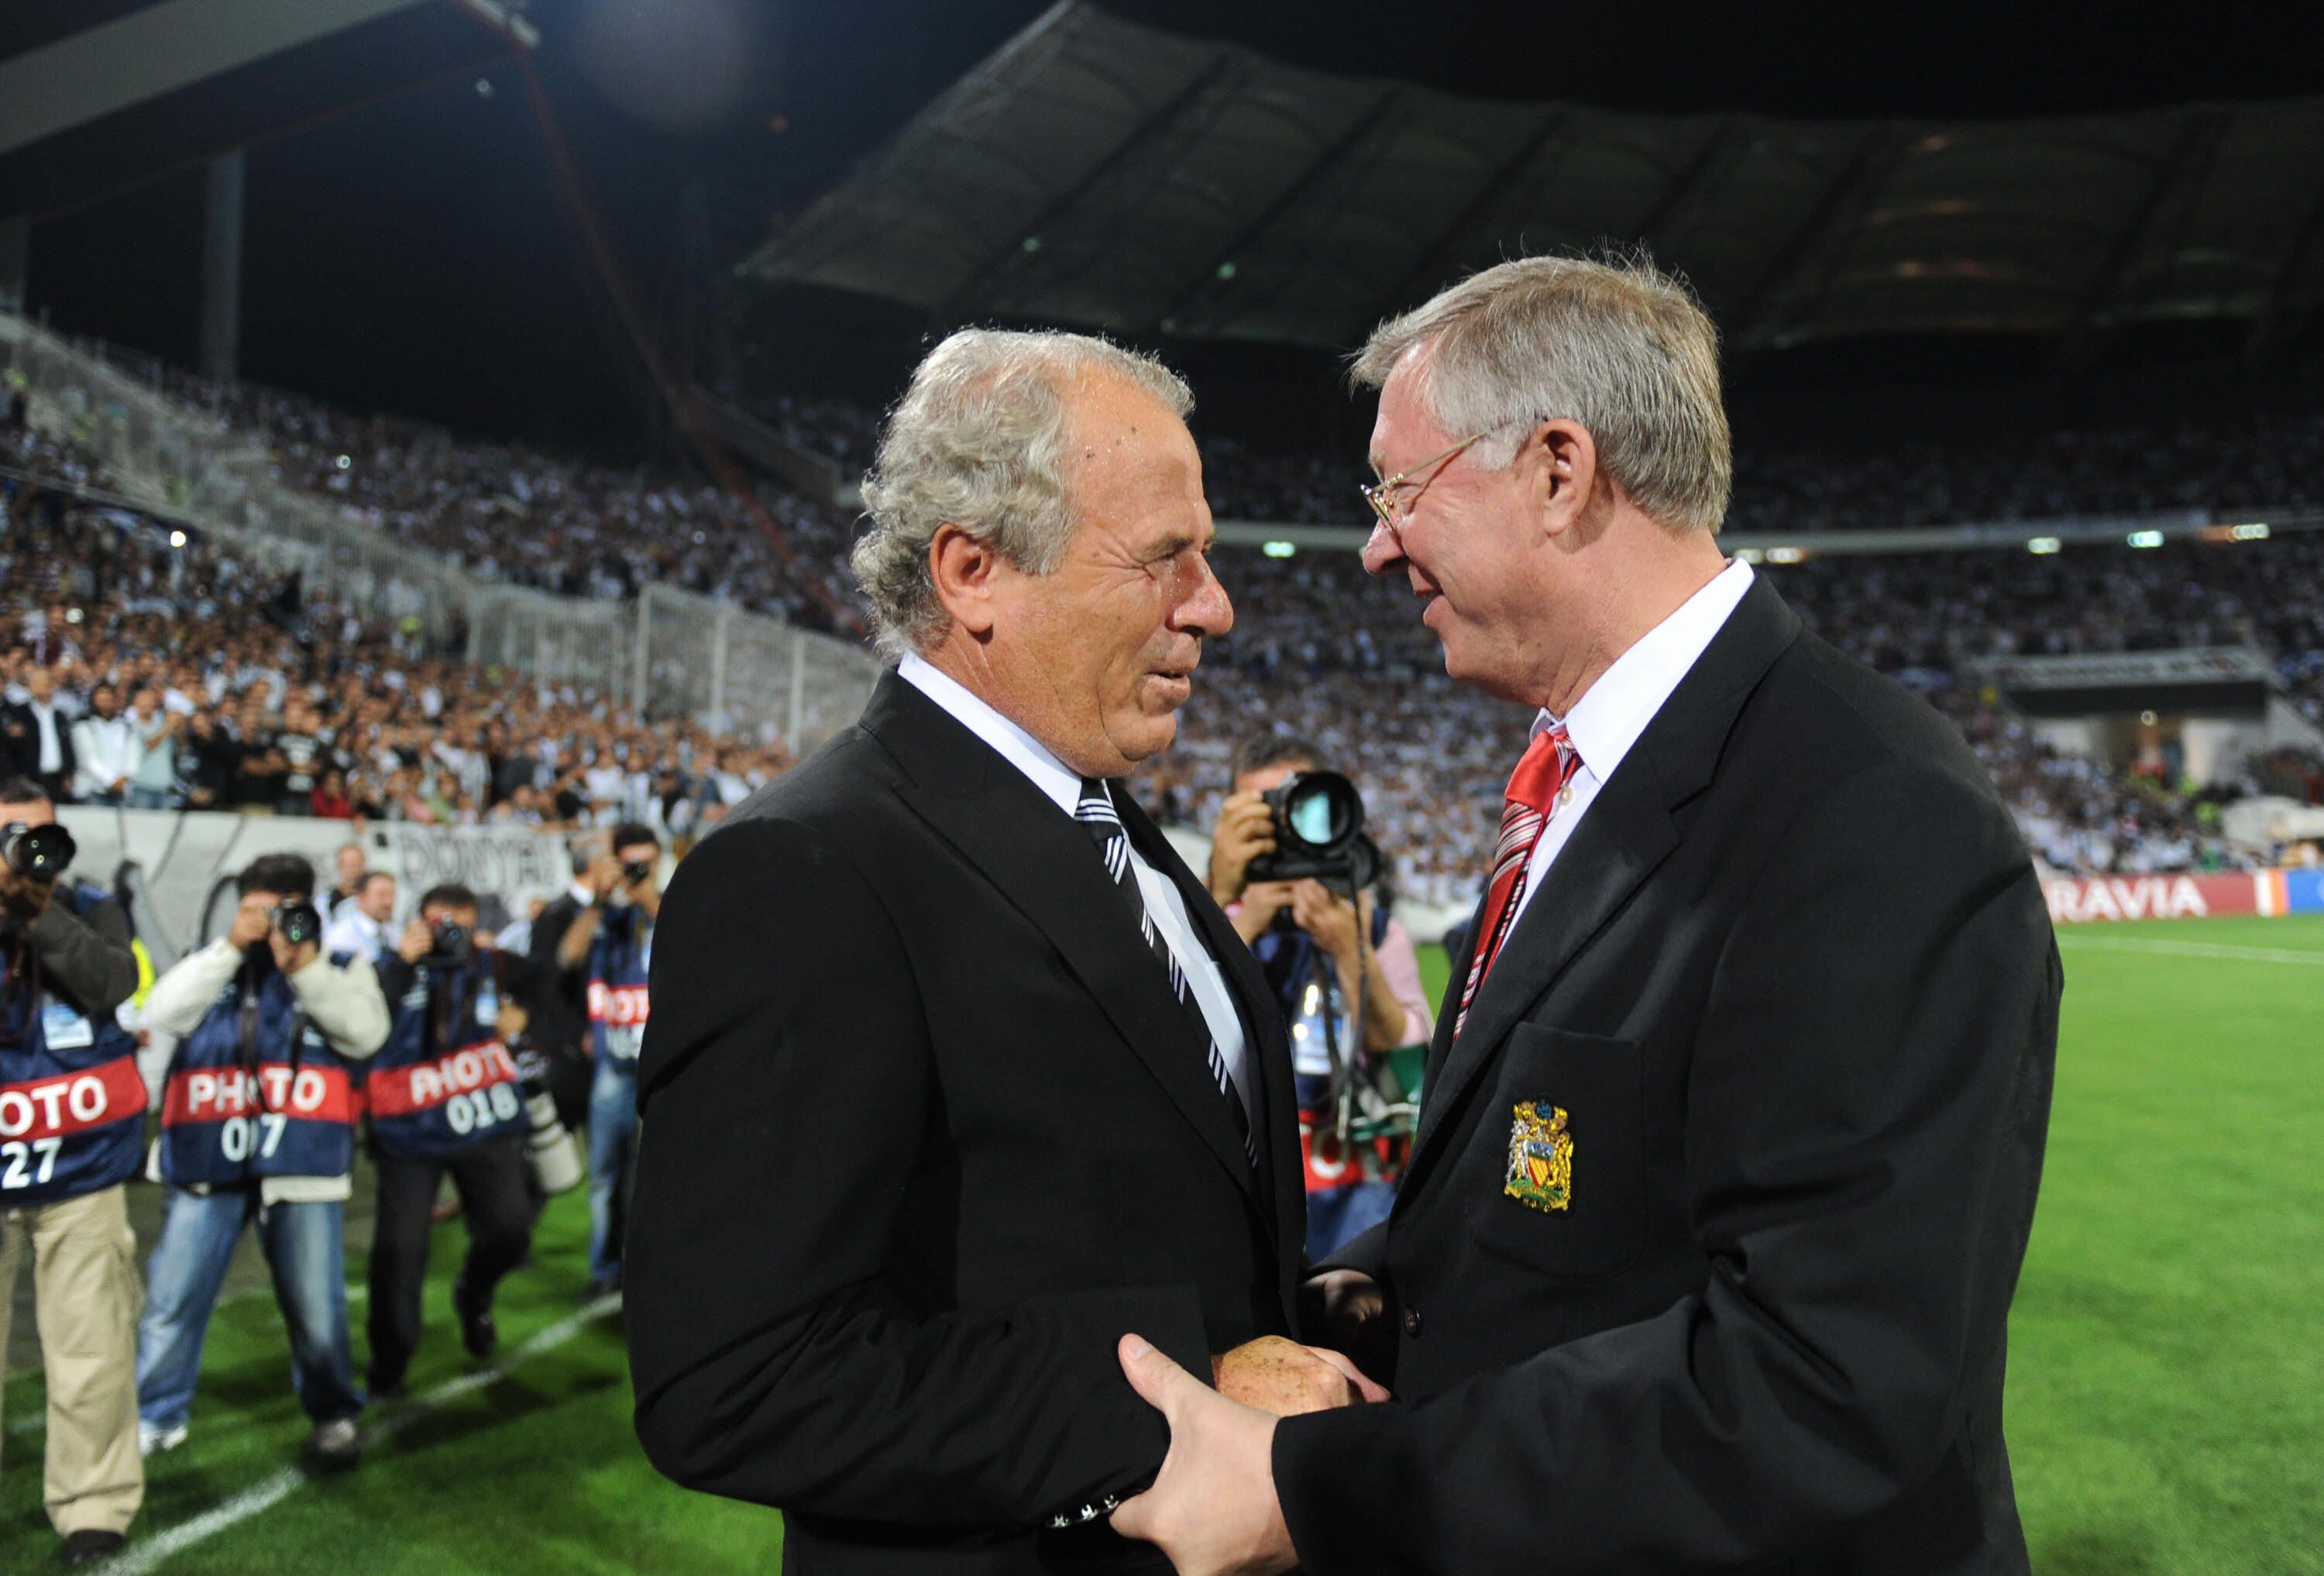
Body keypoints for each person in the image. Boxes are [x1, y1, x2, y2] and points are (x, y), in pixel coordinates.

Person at [1109, 256, 2062, 1576]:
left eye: (1399, 489)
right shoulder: (1578, 777)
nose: (1378, 544)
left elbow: (1821, 1386)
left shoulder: (1869, 812)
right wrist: (1347, 1301)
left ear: (1560, 471)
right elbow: (1547, 1213)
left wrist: (1318, 1488)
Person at [627, 329, 1376, 1574]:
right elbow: (736, 1377)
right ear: (975, 573)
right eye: (1165, 557)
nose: (1214, 603)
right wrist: (1186, 1384)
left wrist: (1303, 1313)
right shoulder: (808, 870)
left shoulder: (1104, 822)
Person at [134, 852, 391, 1467]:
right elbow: (161, 1013)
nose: (274, 925)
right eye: (260, 910)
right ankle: (155, 1415)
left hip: (302, 1163)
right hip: (207, 1158)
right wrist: (230, 947)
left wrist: (305, 969)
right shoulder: (213, 961)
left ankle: (333, 1415)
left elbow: (367, 1034)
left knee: (317, 1308)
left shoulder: (339, 965)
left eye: (287, 912)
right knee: (173, 1299)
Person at [1207, 737, 1434, 1257]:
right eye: (1264, 814)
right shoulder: (1206, 916)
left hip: (1354, 1207)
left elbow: (1405, 1062)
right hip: (1246, 1205)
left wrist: (1349, 949)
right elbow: (1172, 1023)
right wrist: (1235, 915)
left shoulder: (1375, 930)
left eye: (1299, 805)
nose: (1284, 831)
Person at [0, 777, 146, 1566]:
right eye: (8, 836)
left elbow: (113, 983)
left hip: (81, 1168)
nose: (24, 851)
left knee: (92, 1350)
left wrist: (37, 914)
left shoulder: (91, 907)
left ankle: (93, 1506)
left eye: (37, 835)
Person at [363, 883, 535, 1394]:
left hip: (479, 1118)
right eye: (438, 926)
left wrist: (525, 1015)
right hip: (407, 1130)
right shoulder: (388, 967)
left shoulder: (494, 964)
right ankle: (390, 1362)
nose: (448, 937)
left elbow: (553, 982)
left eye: (458, 926)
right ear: (418, 924)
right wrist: (401, 963)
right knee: (400, 1251)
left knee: (511, 1231)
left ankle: (473, 1292)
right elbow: (361, 1021)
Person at [554, 821, 658, 1298]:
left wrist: (643, 893)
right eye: (630, 863)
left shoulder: (672, 905)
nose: (639, 871)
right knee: (605, 1175)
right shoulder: (605, 917)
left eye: (646, 863)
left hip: (664, 1064)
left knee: (661, 1175)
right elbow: (567, 957)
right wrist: (599, 899)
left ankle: (655, 1270)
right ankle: (604, 1271)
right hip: (615, 1063)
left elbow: (681, 930)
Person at [2, 666, 77, 806]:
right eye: (39, 682)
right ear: (30, 686)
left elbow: (68, 747)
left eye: (47, 682)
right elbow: (11, 748)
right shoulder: (19, 714)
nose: (44, 686)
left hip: (56, 780)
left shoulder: (60, 716)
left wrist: (68, 773)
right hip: (29, 779)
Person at [70, 685, 138, 807]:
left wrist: (125, 777)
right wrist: (111, 780)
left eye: (109, 699)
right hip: (92, 790)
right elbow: (88, 759)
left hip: (121, 790)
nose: (105, 703)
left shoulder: (125, 726)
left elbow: (133, 755)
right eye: (101, 699)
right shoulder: (84, 724)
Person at [321, 871, 396, 965]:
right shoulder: (341, 936)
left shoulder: (394, 932)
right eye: (381, 895)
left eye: (392, 895)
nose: (388, 902)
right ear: (361, 896)